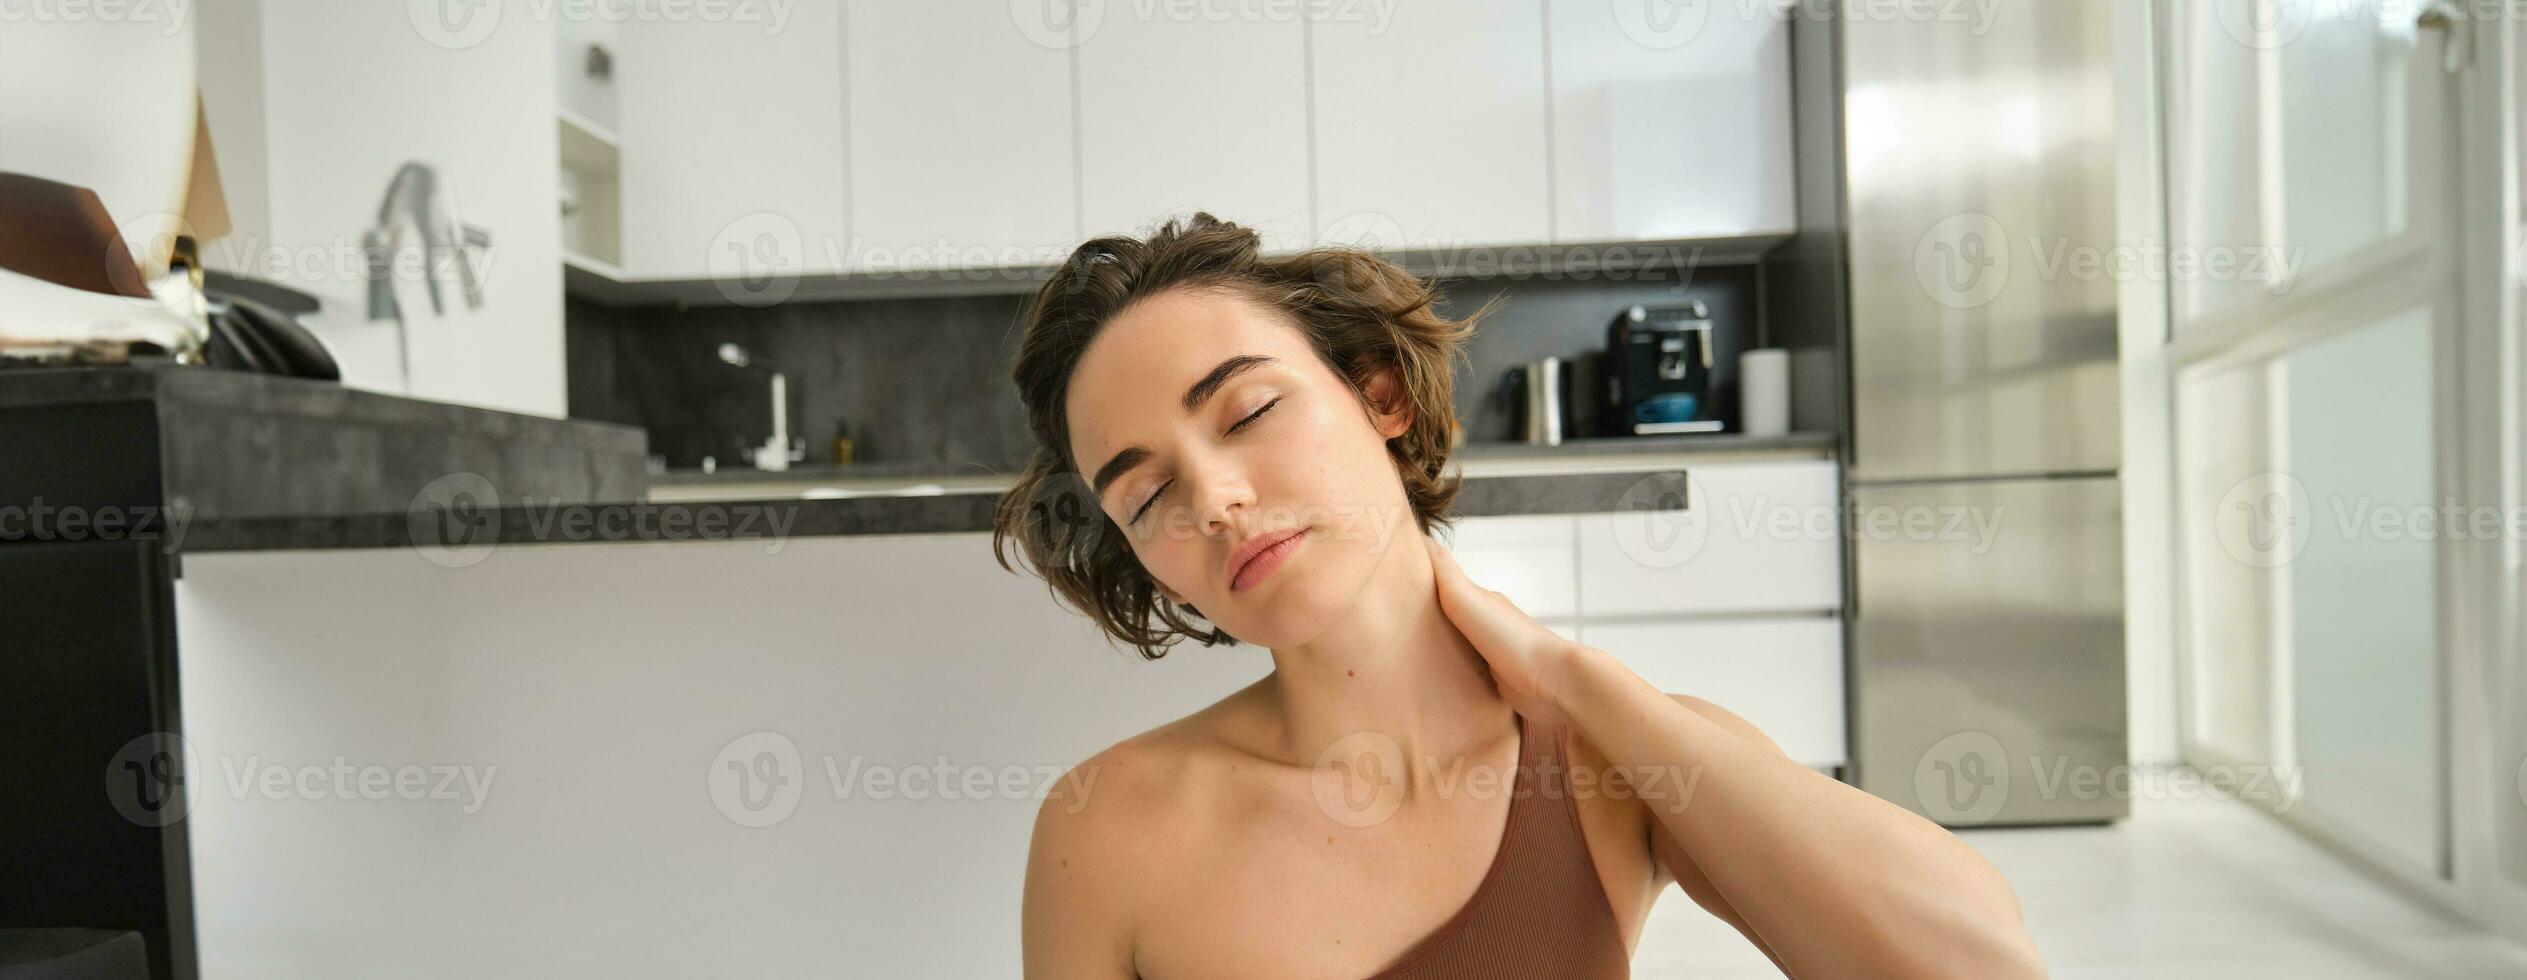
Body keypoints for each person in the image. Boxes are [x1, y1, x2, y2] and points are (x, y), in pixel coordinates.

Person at [993, 213, 2043, 979]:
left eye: (1249, 408)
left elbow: (1977, 965)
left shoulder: (1609, 752)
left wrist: (1575, 680)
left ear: (1380, 395)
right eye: (1148, 493)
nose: (1213, 499)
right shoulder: (1113, 825)